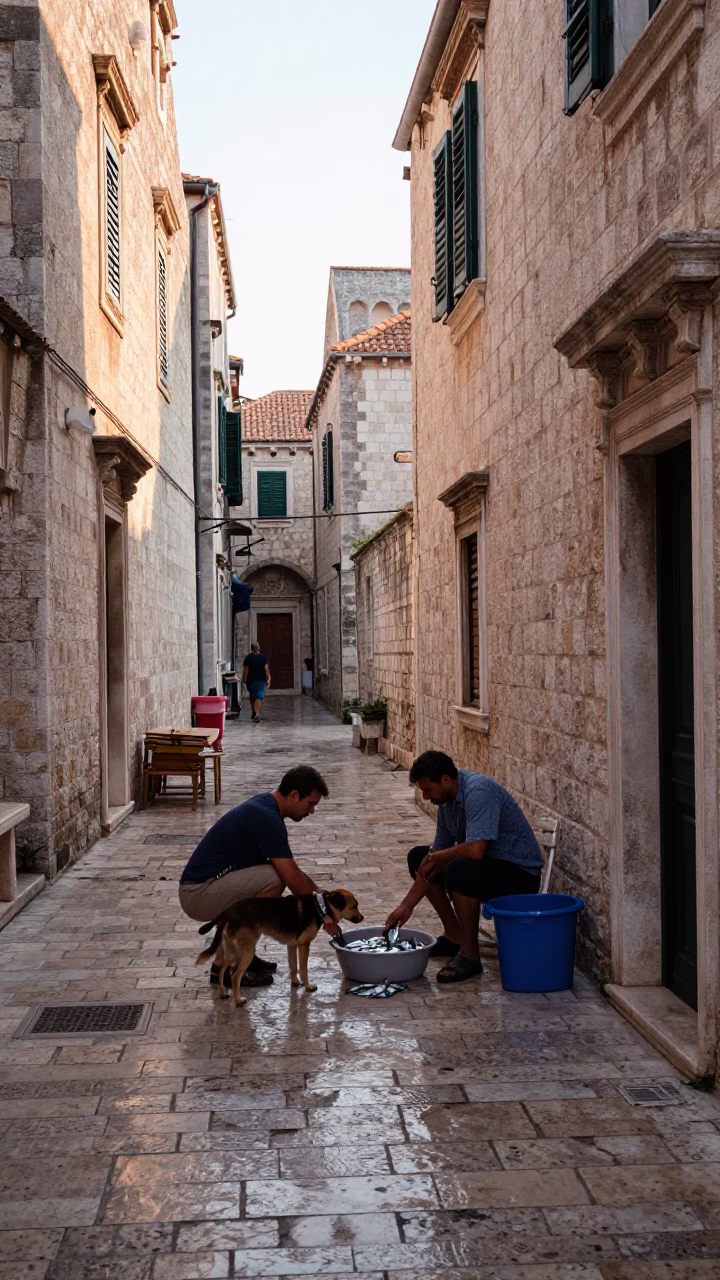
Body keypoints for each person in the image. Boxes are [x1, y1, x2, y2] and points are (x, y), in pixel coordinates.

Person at [385, 750, 543, 984]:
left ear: (446, 780)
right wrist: (405, 907)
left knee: (459, 869)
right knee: (418, 857)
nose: (425, 797)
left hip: (520, 873)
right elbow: (432, 860)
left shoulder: (478, 791)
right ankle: (454, 937)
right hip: (488, 868)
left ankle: (470, 956)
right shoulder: (447, 805)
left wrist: (437, 857)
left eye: (428, 790)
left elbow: (476, 849)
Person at [179, 764, 339, 989]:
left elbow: (293, 871)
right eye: (310, 804)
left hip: (208, 886)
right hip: (197, 893)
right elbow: (291, 878)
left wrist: (323, 896)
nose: (311, 811)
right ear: (294, 795)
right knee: (275, 879)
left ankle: (245, 954)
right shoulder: (268, 819)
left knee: (275, 873)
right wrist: (325, 916)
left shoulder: (266, 807)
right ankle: (227, 965)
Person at [242, 642, 271, 722]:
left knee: (253, 696)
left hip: (251, 681)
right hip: (261, 681)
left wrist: (243, 681)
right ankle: (257, 715)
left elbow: (246, 671)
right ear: (258, 648)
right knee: (259, 696)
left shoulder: (248, 658)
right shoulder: (264, 658)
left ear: (251, 649)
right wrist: (268, 680)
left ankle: (253, 712)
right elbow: (266, 671)